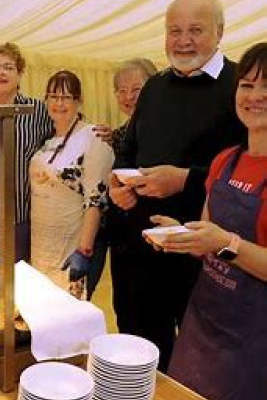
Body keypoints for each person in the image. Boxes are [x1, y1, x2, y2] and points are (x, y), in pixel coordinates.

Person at [109, 0, 246, 372]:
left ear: (220, 32)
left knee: (198, 361)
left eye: (195, 30)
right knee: (136, 353)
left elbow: (248, 169)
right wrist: (118, 183)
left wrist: (184, 178)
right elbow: (127, 147)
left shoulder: (241, 87)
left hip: (202, 257)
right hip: (140, 250)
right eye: (174, 31)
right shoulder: (154, 86)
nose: (183, 41)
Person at [150, 42, 267, 400]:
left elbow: (221, 243)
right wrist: (181, 236)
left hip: (253, 342)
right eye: (246, 85)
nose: (255, 95)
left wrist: (224, 243)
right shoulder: (224, 160)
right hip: (202, 325)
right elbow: (208, 244)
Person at [29, 70, 114, 299]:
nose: (59, 103)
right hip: (41, 245)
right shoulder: (45, 140)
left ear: (79, 100)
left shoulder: (93, 137)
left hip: (71, 247)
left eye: (67, 97)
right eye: (53, 96)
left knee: (68, 318)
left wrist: (84, 252)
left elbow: (96, 199)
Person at [0, 42, 53, 261]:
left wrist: (102, 133)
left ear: (20, 73)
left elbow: (67, 133)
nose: (0, 72)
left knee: (19, 284)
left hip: (21, 219)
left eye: (8, 67)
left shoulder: (38, 110)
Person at [86, 58, 158, 300]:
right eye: (122, 91)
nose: (129, 97)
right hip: (122, 240)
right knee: (125, 308)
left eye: (137, 90)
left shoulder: (166, 133)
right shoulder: (117, 134)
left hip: (154, 239)